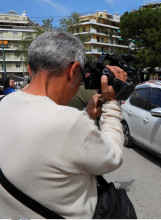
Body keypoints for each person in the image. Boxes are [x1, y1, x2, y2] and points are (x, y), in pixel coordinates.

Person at [0, 31, 127, 218]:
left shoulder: (5, 103)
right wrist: (112, 103)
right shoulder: (68, 122)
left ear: (29, 69)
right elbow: (113, 156)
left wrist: (86, 115)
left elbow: (45, 139)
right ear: (74, 70)